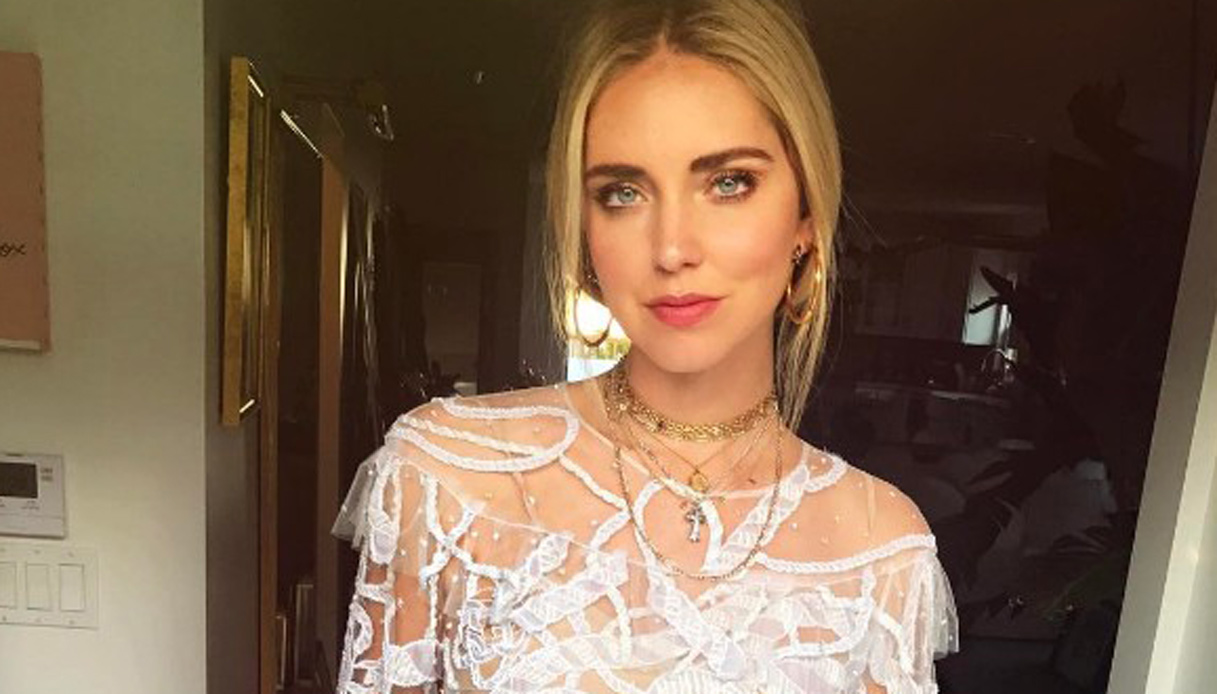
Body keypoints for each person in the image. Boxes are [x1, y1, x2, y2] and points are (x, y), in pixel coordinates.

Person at [333, 0, 958, 691]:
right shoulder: (446, 475)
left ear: (805, 217)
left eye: (728, 183)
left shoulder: (881, 551)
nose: (671, 248)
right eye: (623, 193)